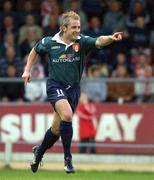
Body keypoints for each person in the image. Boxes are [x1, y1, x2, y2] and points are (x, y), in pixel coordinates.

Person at [22, 11, 123, 174]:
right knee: (67, 115)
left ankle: (38, 153)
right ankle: (68, 159)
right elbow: (34, 50)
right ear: (63, 28)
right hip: (55, 86)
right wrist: (27, 70)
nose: (77, 30)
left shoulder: (82, 42)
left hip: (74, 89)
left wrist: (110, 38)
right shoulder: (50, 42)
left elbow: (98, 40)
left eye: (79, 27)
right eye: (74, 27)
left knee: (56, 129)